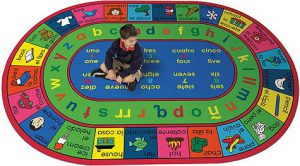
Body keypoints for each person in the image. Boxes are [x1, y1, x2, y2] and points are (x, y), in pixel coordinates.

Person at [91, 24, 143, 91]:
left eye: (135, 39)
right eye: (131, 41)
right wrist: (110, 70)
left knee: (130, 78)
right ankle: (114, 75)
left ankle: (110, 76)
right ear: (122, 39)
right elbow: (109, 55)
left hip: (130, 67)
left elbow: (134, 67)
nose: (134, 43)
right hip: (119, 62)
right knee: (103, 66)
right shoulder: (116, 43)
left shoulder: (137, 49)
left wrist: (121, 76)